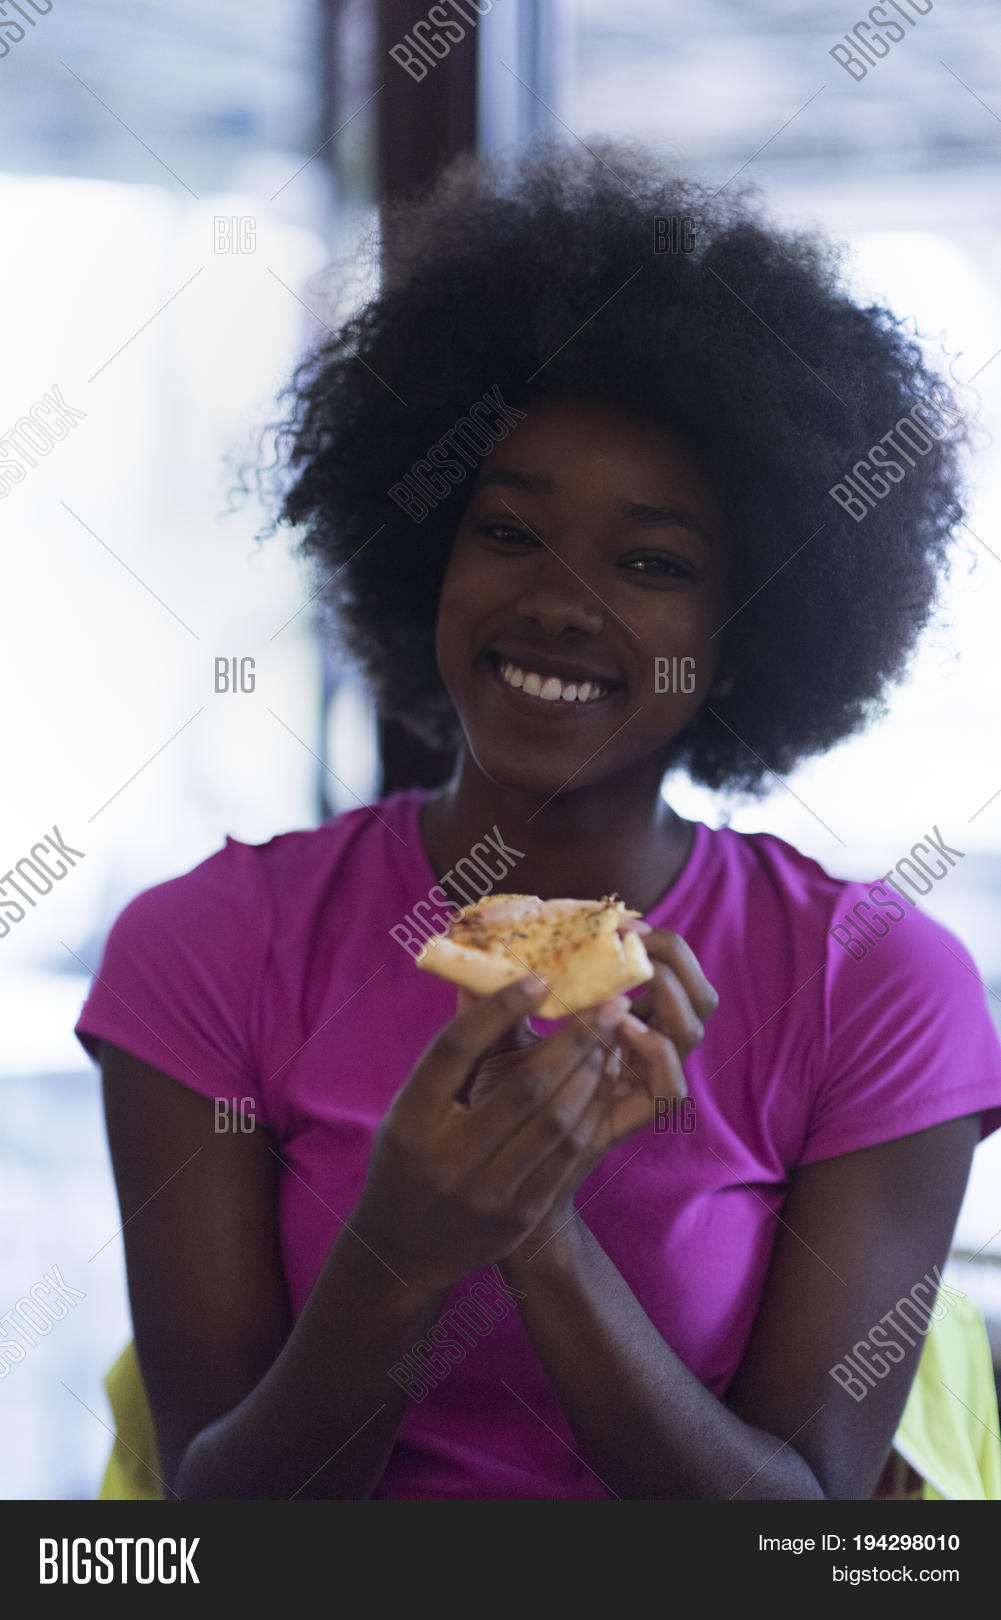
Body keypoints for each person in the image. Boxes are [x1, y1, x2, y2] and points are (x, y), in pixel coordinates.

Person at [75, 138, 1001, 1500]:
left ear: (743, 639)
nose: (560, 603)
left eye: (650, 563)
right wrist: (403, 1239)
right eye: (508, 532)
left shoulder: (873, 983)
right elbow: (216, 1535)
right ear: (425, 556)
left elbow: (810, 1547)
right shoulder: (209, 947)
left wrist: (536, 1232)